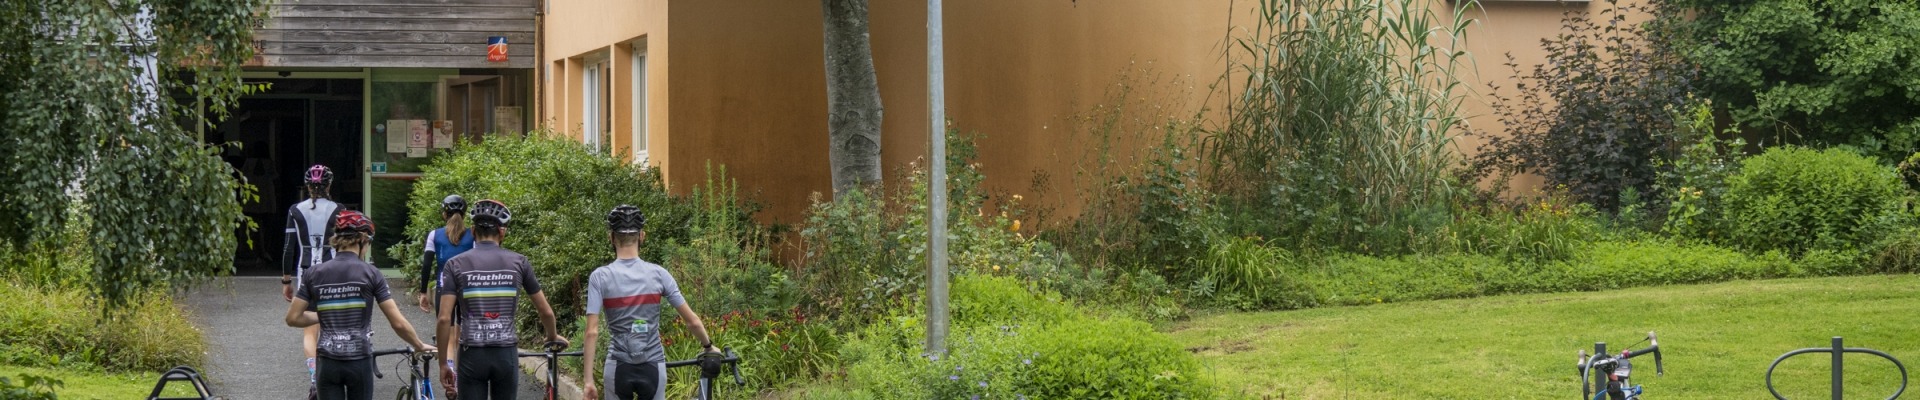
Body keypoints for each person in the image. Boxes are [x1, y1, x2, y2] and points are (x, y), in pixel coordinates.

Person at [284, 210, 438, 400]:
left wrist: (326, 313)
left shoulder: (314, 273)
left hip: (327, 361)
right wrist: (419, 344)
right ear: (362, 239)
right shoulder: (371, 273)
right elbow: (397, 322)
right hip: (359, 360)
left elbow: (293, 318)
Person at [582, 205, 719, 400]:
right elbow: (692, 321)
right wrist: (708, 347)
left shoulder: (600, 277)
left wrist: (588, 381)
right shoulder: (659, 274)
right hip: (653, 364)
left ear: (611, 237)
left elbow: (591, 331)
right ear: (642, 236)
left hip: (618, 365)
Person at [436, 199, 567, 399]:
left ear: (472, 231)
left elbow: (445, 319)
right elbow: (546, 311)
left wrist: (444, 363)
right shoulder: (519, 262)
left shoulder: (455, 264)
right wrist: (552, 337)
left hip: (471, 353)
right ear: (502, 231)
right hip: (505, 353)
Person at [283, 164, 341, 392]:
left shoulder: (295, 210)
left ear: (308, 186)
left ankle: (315, 378)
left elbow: (289, 248)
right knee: (334, 322)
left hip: (306, 271)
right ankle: (333, 371)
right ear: (329, 185)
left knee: (310, 329)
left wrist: (286, 280)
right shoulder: (339, 209)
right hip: (333, 270)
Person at [416, 195, 475, 313]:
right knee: (464, 327)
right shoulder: (474, 234)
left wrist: (423, 292)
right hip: (468, 287)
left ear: (444, 214)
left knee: (445, 326)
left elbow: (426, 265)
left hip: (444, 286)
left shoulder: (434, 234)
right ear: (464, 215)